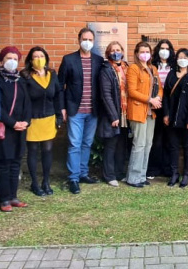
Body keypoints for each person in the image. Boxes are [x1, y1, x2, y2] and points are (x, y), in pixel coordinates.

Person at [57, 28, 104, 194]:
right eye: (85, 39)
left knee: (87, 143)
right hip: (74, 110)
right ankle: (73, 178)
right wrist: (62, 107)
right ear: (78, 40)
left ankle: (83, 173)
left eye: (90, 39)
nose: (87, 42)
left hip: (93, 111)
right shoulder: (68, 60)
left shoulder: (99, 60)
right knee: (74, 144)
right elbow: (60, 86)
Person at [0, 47, 30, 212]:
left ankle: (13, 196)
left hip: (20, 129)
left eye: (15, 58)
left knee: (16, 163)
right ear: (1, 60)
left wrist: (26, 121)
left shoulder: (20, 79)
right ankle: (4, 198)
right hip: (4, 127)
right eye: (8, 58)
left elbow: (27, 103)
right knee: (3, 164)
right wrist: (13, 123)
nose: (12, 61)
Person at [22, 46, 63, 198]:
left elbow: (58, 94)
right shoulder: (25, 76)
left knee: (47, 150)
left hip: (49, 118)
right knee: (32, 151)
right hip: (32, 119)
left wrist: (59, 115)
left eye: (41, 56)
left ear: (46, 58)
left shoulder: (52, 74)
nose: (39, 59)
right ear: (30, 60)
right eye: (35, 56)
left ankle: (46, 181)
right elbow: (23, 99)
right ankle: (34, 182)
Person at [162, 49, 188, 188]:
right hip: (172, 118)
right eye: (179, 57)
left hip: (187, 119)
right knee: (173, 146)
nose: (182, 59)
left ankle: (186, 174)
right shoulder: (171, 75)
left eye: (185, 57)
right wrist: (166, 114)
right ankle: (174, 173)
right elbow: (166, 96)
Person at [125, 41, 162, 187]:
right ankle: (133, 178)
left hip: (150, 112)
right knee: (139, 144)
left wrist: (158, 97)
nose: (145, 54)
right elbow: (132, 91)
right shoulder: (133, 68)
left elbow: (160, 87)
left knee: (147, 144)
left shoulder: (153, 68)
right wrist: (150, 99)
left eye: (147, 51)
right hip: (138, 110)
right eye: (142, 51)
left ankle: (141, 175)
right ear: (136, 53)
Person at [97, 41, 129, 187]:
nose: (116, 52)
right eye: (112, 50)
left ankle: (120, 172)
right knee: (111, 144)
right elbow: (106, 94)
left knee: (122, 144)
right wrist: (113, 115)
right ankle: (109, 175)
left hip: (126, 112)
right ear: (108, 53)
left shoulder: (126, 67)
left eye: (118, 49)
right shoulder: (106, 70)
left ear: (122, 51)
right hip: (114, 113)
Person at [147, 39, 175, 179]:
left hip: (169, 106)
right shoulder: (152, 66)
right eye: (162, 48)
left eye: (167, 48)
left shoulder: (174, 67)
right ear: (157, 50)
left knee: (169, 139)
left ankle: (168, 169)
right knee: (156, 139)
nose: (164, 51)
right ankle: (153, 169)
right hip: (155, 106)